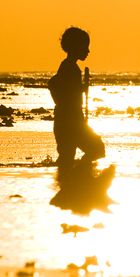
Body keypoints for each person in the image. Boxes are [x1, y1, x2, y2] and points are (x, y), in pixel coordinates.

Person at [49, 27, 105, 173]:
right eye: (85, 47)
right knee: (97, 148)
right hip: (70, 120)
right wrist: (82, 88)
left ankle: (74, 178)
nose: (88, 51)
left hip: (67, 119)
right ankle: (81, 176)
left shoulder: (69, 66)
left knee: (67, 156)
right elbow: (65, 91)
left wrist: (81, 88)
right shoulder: (69, 67)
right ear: (76, 47)